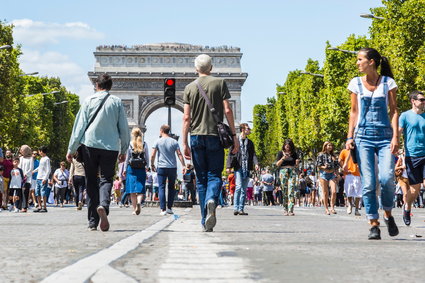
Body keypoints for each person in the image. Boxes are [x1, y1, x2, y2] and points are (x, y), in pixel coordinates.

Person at [346, 48, 399, 240]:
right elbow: (353, 112)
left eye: (360, 59)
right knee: (368, 183)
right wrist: (349, 137)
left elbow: (393, 111)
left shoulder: (388, 83)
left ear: (372, 62)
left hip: (385, 136)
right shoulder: (355, 83)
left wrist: (395, 137)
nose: (357, 63)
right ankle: (373, 223)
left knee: (386, 179)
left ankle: (388, 213)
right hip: (363, 137)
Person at [182, 54, 239, 232]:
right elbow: (228, 110)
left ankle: (203, 219)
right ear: (211, 68)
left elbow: (186, 118)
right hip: (215, 136)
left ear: (196, 69)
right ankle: (212, 200)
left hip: (196, 137)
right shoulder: (220, 83)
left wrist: (184, 142)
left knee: (201, 180)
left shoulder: (189, 87)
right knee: (214, 174)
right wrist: (234, 134)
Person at [67, 73, 130, 232]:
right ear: (110, 87)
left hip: (90, 146)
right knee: (106, 179)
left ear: (97, 85)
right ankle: (103, 205)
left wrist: (71, 149)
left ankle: (92, 221)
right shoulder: (117, 102)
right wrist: (123, 149)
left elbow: (78, 128)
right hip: (110, 148)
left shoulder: (88, 101)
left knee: (91, 181)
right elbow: (124, 128)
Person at [398, 90, 425, 226]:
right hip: (412, 156)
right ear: (413, 101)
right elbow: (398, 132)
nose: (423, 102)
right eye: (421, 99)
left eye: (424, 99)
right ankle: (407, 207)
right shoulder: (405, 116)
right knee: (415, 190)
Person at [151, 125, 185, 216]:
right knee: (171, 188)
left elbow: (153, 155)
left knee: (161, 187)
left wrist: (152, 164)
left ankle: (163, 209)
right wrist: (183, 165)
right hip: (172, 167)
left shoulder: (157, 141)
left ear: (161, 131)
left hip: (161, 167)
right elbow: (179, 154)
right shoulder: (174, 141)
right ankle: (169, 208)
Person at [226, 123, 259, 216]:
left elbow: (253, 155)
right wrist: (228, 166)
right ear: (243, 130)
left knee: (244, 189)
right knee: (239, 187)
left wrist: (256, 163)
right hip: (238, 167)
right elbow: (231, 154)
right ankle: (235, 208)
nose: (250, 130)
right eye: (248, 128)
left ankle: (241, 209)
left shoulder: (250, 143)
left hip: (247, 167)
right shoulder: (235, 141)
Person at [123, 127, 149, 215]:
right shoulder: (144, 144)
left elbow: (127, 159)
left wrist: (124, 169)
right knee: (141, 188)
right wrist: (147, 168)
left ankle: (134, 209)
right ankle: (139, 202)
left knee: (132, 190)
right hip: (141, 168)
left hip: (131, 168)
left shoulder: (130, 145)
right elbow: (147, 158)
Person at [275, 139, 300, 216]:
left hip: (292, 171)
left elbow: (296, 165)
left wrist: (297, 163)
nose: (287, 148)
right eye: (286, 146)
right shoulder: (280, 153)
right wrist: (283, 158)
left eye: (289, 146)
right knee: (284, 190)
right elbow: (277, 164)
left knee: (291, 189)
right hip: (283, 171)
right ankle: (285, 209)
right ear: (284, 146)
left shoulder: (294, 154)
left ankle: (291, 209)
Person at [317, 141, 339, 215]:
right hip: (324, 174)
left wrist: (337, 174)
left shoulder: (333, 155)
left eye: (331, 145)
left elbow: (336, 166)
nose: (330, 147)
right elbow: (318, 165)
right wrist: (324, 167)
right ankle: (326, 208)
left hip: (332, 174)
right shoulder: (321, 155)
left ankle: (332, 207)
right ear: (325, 146)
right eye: (328, 145)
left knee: (334, 191)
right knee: (325, 193)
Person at [339, 148, 362, 216]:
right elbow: (340, 160)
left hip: (357, 174)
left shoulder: (359, 150)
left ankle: (357, 209)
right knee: (348, 192)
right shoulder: (344, 151)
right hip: (348, 174)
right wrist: (343, 168)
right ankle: (350, 204)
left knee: (358, 193)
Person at [33, 146, 51, 213]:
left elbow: (48, 170)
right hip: (38, 177)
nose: (39, 152)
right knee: (37, 193)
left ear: (42, 151)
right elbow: (39, 168)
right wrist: (33, 171)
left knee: (43, 193)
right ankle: (40, 206)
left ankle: (44, 207)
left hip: (43, 178)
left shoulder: (47, 159)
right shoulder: (41, 159)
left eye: (39, 151)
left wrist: (45, 178)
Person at [19, 145, 33, 212]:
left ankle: (24, 207)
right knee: (20, 192)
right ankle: (20, 206)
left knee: (25, 192)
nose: (21, 151)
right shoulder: (21, 158)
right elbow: (19, 167)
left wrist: (25, 175)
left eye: (22, 150)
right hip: (20, 177)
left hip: (27, 178)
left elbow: (31, 168)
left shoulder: (31, 158)